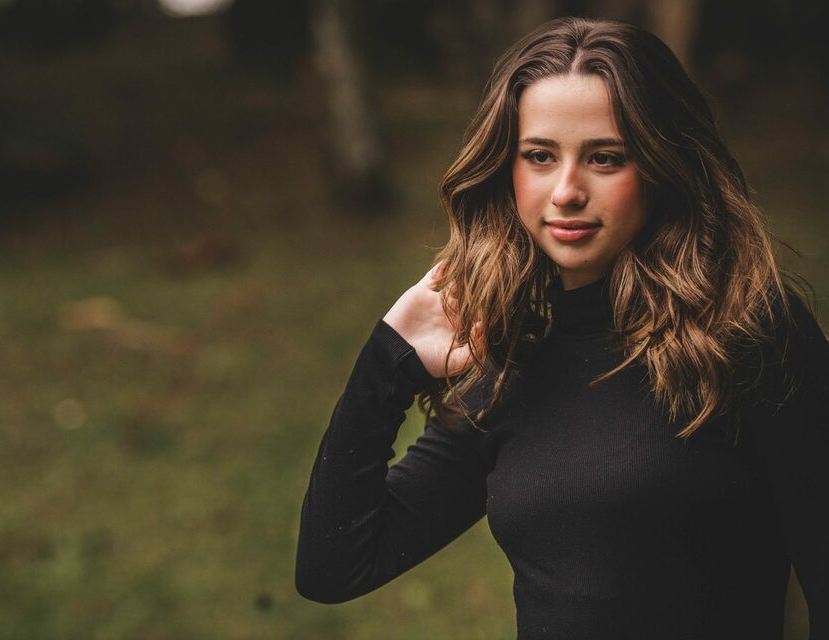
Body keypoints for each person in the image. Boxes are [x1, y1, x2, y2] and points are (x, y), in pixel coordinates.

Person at [294, 16, 828, 640]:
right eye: (540, 156)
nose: (567, 191)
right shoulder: (510, 372)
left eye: (605, 158)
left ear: (664, 165)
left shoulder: (748, 335)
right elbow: (335, 567)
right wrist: (387, 361)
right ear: (508, 169)